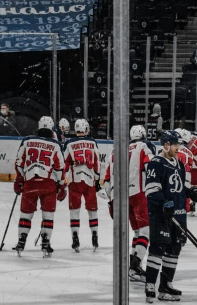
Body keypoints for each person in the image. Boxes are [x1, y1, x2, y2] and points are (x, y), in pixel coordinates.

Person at [144, 130, 197, 302]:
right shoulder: (156, 163)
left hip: (178, 214)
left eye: (178, 144)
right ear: (166, 145)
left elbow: (179, 188)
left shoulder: (180, 165)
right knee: (158, 248)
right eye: (175, 144)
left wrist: (190, 192)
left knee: (174, 249)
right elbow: (151, 190)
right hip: (161, 215)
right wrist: (164, 204)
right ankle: (150, 285)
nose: (178, 147)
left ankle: (165, 285)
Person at [104, 125, 155, 283]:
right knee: (145, 231)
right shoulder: (143, 146)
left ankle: (132, 266)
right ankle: (135, 265)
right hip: (138, 194)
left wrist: (111, 200)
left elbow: (107, 180)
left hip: (118, 196)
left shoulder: (115, 150)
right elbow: (151, 167)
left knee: (138, 232)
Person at [13, 116, 65, 256]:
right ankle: (45, 242)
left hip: (30, 183)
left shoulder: (27, 141)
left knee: (26, 214)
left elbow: (19, 163)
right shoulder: (56, 144)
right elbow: (60, 168)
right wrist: (61, 184)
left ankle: (21, 241)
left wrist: (20, 179)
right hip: (48, 185)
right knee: (48, 215)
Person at [64, 118, 100, 252]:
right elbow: (97, 162)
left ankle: (75, 237)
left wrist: (62, 180)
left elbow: (65, 164)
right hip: (89, 181)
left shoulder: (69, 143)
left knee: (74, 212)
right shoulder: (92, 142)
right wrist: (96, 178)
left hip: (75, 180)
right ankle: (95, 236)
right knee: (92, 211)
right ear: (86, 129)